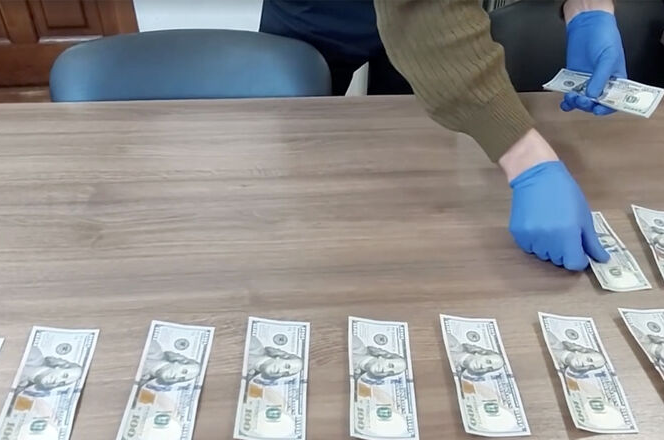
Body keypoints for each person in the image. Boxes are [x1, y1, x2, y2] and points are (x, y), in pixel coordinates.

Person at [261, 0, 629, 271]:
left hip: (448, 12)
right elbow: (425, 12)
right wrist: (528, 162)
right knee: (302, 197)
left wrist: (588, 8)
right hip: (322, 12)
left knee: (417, 187)